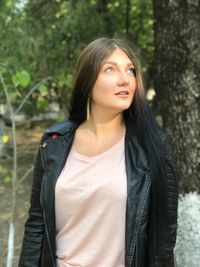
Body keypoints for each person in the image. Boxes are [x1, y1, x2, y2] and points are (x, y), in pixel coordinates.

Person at [18, 37, 178, 267]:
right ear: (87, 81)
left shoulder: (153, 145)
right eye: (110, 69)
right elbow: (36, 224)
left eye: (130, 70)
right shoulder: (54, 142)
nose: (125, 79)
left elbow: (163, 238)